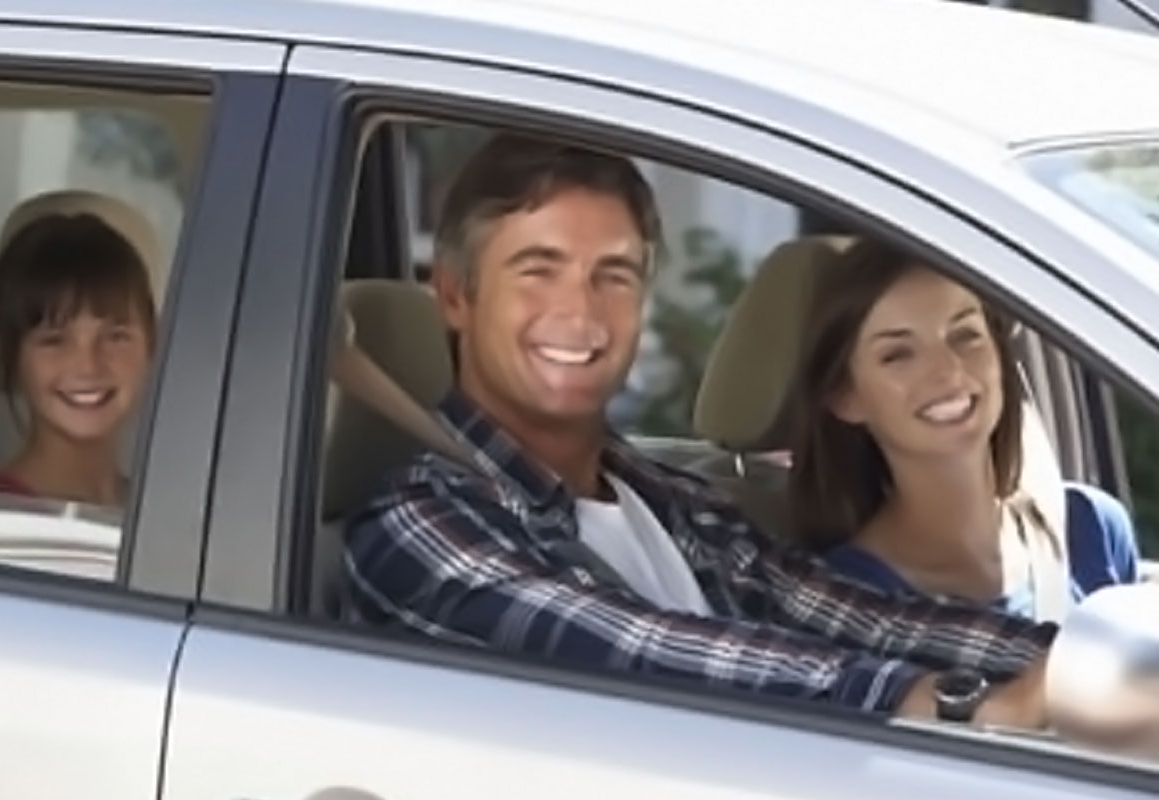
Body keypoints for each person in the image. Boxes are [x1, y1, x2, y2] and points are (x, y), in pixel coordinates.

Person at [344, 133, 1053, 726]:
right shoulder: (416, 521)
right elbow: (644, 651)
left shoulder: (677, 504)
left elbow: (868, 619)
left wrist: (1075, 661)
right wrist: (970, 707)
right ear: (456, 296)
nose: (580, 313)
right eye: (539, 270)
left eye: (613, 275)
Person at [788, 240, 1140, 621]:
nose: (950, 371)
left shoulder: (1091, 526)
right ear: (845, 396)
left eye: (966, 335)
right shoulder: (848, 597)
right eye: (898, 355)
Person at [0, 212, 156, 507]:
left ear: (152, 343)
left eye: (115, 336)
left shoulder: (154, 510)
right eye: (54, 341)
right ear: (13, 356)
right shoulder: (0, 520)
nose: (88, 365)